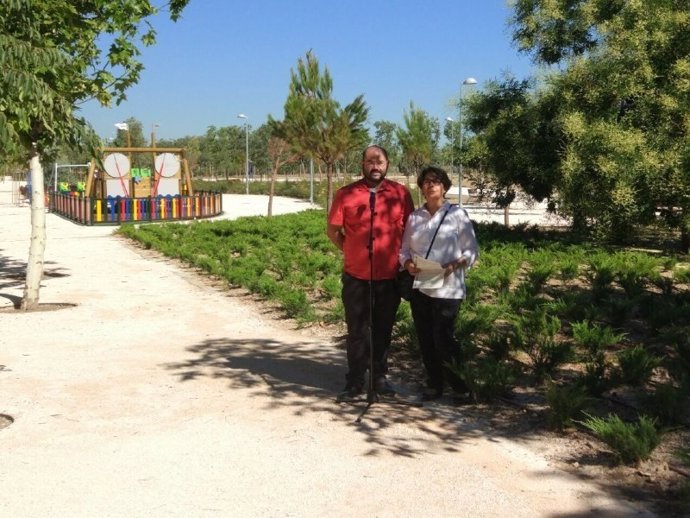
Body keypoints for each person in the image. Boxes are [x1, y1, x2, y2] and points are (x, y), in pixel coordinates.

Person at [327, 145, 414, 401]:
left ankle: (379, 378)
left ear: (387, 164)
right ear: (362, 164)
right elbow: (333, 231)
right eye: (370, 162)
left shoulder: (400, 194)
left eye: (380, 162)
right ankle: (354, 380)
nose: (375, 166)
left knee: (383, 330)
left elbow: (410, 232)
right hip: (356, 277)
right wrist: (351, 250)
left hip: (388, 278)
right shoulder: (346, 194)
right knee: (356, 331)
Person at [399, 166, 479, 401]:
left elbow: (471, 250)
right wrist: (407, 265)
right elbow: (403, 250)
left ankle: (461, 387)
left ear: (444, 186)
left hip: (448, 287)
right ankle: (434, 383)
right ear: (421, 188)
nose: (430, 185)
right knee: (425, 338)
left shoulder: (457, 215)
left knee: (444, 338)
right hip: (421, 285)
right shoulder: (414, 217)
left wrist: (453, 266)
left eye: (435, 181)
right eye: (426, 182)